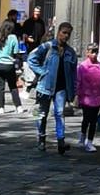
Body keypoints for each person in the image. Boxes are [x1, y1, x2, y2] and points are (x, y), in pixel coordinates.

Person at [28, 22, 78, 154]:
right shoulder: (48, 46)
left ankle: (61, 141)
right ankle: (41, 139)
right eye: (64, 32)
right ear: (58, 32)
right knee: (42, 114)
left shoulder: (71, 52)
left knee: (60, 113)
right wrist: (42, 71)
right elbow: (31, 59)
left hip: (61, 88)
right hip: (46, 85)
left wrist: (74, 91)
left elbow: (74, 74)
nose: (66, 36)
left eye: (68, 33)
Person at [76, 43, 100, 153]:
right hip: (86, 97)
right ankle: (82, 136)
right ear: (87, 53)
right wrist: (78, 96)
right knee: (86, 119)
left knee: (93, 121)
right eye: (92, 52)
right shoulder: (82, 66)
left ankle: (89, 142)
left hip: (97, 98)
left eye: (96, 52)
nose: (94, 54)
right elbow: (78, 82)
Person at [0, 19, 25, 114]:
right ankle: (18, 107)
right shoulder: (13, 37)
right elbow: (15, 51)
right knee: (13, 86)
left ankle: (1, 108)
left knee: (0, 88)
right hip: (9, 65)